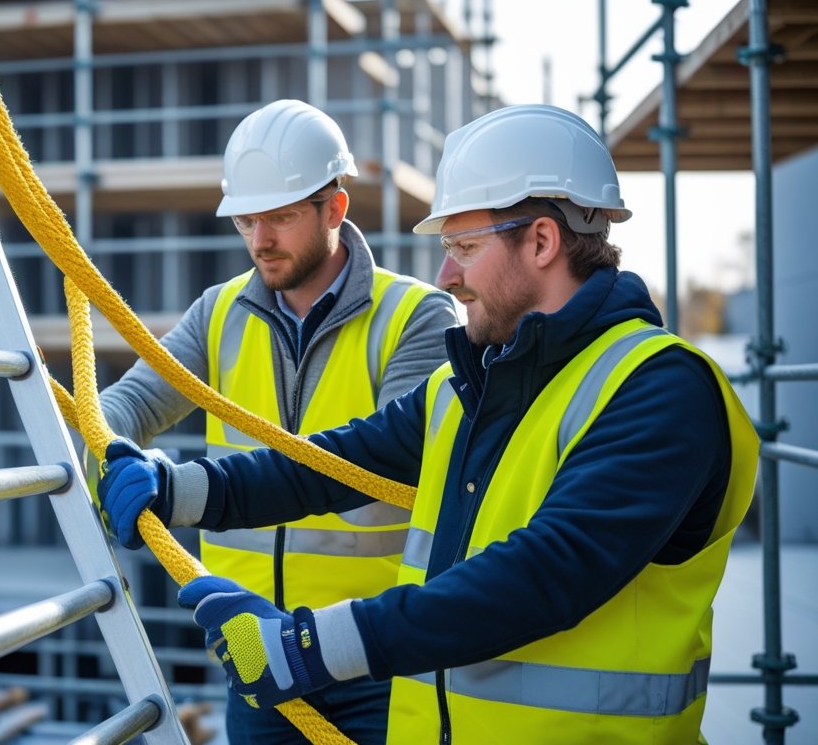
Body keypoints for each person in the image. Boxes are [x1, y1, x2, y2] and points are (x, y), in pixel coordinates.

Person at [98, 104, 759, 744]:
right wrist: (178, 489)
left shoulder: (660, 390)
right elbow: (332, 464)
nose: (447, 275)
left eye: (464, 247)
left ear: (542, 241)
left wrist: (305, 647)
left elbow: (545, 575)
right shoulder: (471, 384)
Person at [96, 98, 458, 744]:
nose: (260, 241)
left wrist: (183, 487)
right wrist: (110, 450)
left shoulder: (419, 318)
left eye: (281, 218)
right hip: (254, 651)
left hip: (377, 657)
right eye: (246, 221)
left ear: (335, 210)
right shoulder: (220, 311)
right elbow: (133, 403)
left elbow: (380, 465)